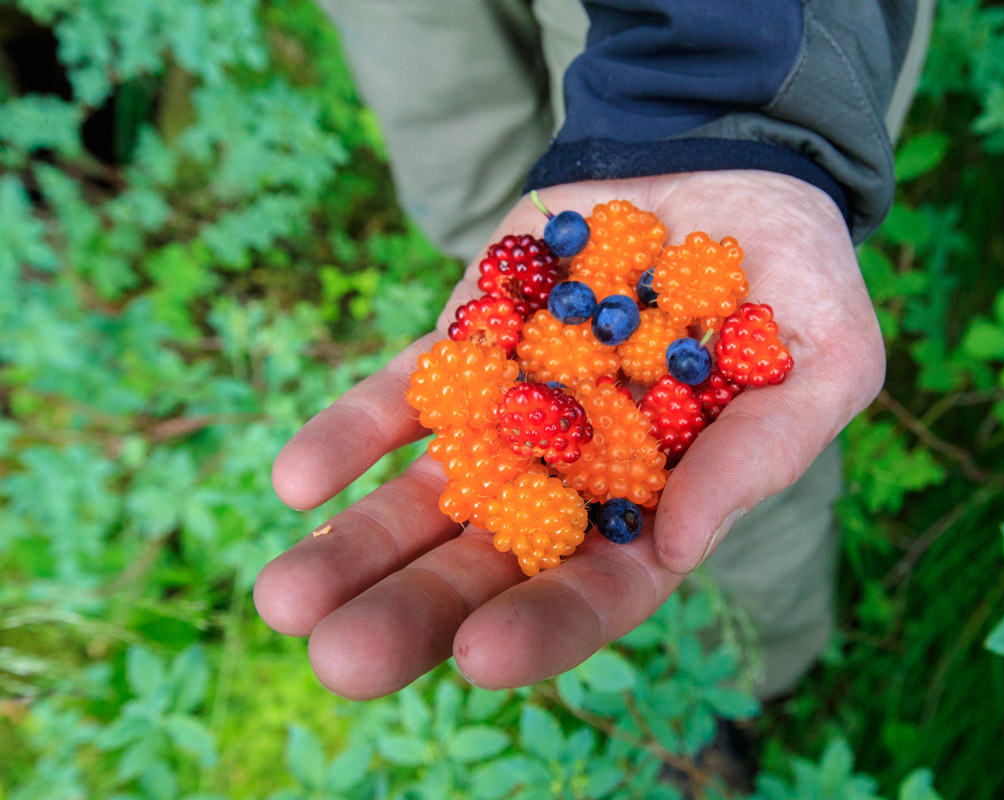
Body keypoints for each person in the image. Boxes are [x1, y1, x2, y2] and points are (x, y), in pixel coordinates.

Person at [253, 0, 933, 702]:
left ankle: (756, 680)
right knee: (468, 178)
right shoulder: (538, 362)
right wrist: (514, 339)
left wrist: (731, 124)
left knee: (739, 485)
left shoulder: (653, 351)